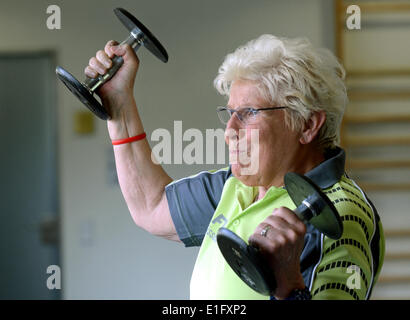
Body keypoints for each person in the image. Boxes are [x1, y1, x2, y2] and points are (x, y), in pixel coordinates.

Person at [85, 34, 384, 300]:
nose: (229, 130)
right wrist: (119, 104)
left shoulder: (340, 216)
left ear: (307, 124)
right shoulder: (241, 183)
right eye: (229, 114)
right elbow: (152, 208)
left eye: (249, 113)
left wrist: (289, 287)